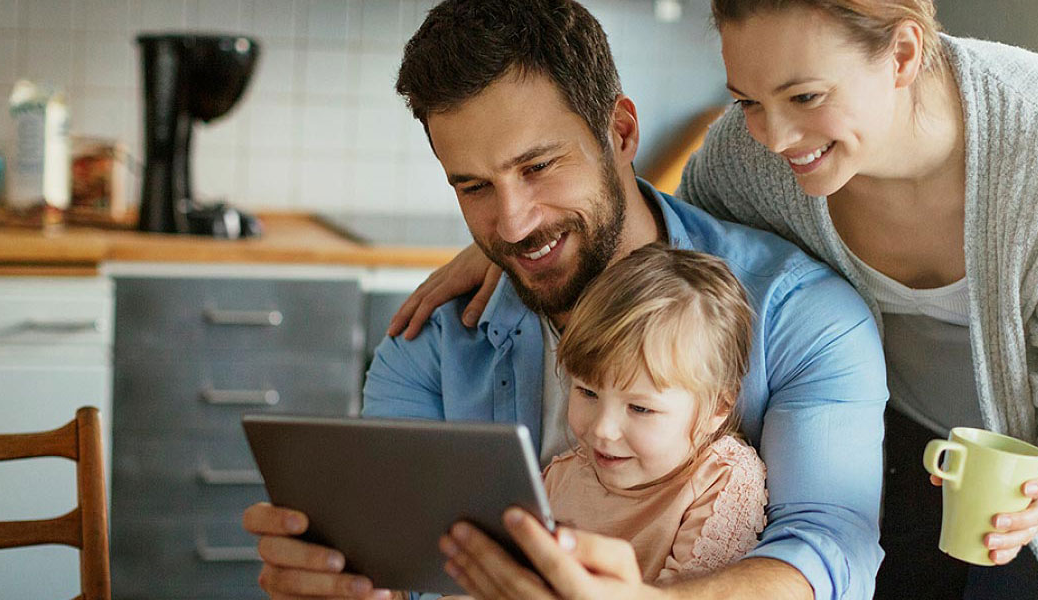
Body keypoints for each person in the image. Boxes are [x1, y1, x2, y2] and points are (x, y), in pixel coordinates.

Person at [390, 0, 1038, 598]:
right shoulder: (754, 153)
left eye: (802, 95)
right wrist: (516, 239)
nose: (772, 135)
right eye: (747, 100)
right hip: (902, 435)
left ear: (901, 53)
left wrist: (1024, 498)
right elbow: (670, 246)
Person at [242, 1, 890, 599]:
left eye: (538, 167)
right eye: (473, 187)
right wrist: (348, 581)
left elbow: (831, 554)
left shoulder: (801, 315)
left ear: (621, 131)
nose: (514, 224)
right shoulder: (433, 342)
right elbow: (403, 567)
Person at [545, 244, 767, 584]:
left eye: (640, 408)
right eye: (588, 392)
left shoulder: (720, 481)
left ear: (718, 408)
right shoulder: (559, 478)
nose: (603, 430)